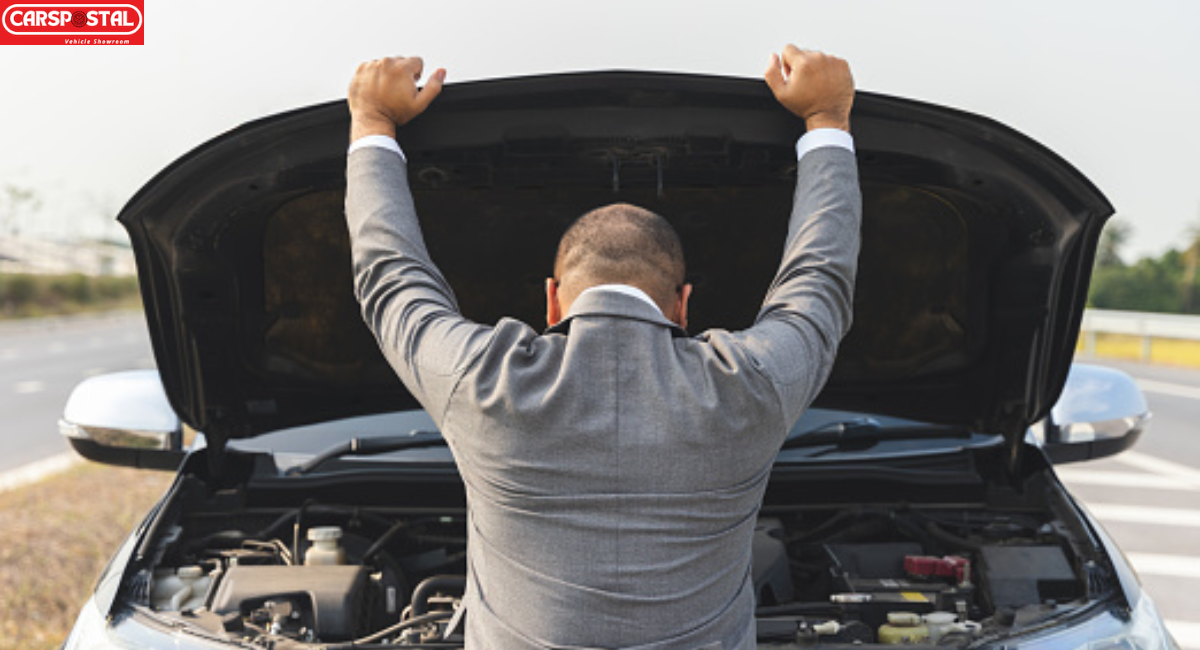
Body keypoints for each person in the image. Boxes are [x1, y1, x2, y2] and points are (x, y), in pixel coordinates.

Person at [344, 46, 860, 650]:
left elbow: (390, 281)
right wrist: (827, 119)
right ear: (683, 305)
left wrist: (373, 122)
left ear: (552, 301)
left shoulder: (482, 384)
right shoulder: (749, 387)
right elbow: (820, 286)